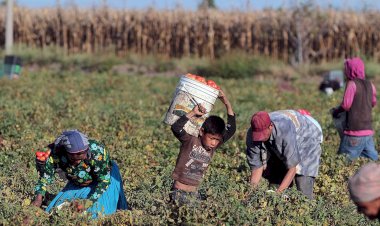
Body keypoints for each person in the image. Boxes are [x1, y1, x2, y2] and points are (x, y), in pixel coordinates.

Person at [31, 130, 128, 219]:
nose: (78, 162)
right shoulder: (57, 154)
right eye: (74, 159)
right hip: (78, 182)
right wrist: (38, 198)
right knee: (54, 212)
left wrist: (87, 203)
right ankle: (49, 199)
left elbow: (104, 181)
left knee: (98, 214)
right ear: (66, 152)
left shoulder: (97, 152)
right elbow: (45, 178)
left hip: (104, 180)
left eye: (82, 157)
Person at [170, 90, 236, 205]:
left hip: (194, 194)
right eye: (211, 138)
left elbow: (231, 129)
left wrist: (226, 102)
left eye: (217, 140)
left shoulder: (213, 147)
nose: (214, 143)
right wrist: (192, 113)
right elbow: (176, 127)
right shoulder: (190, 140)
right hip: (178, 192)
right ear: (202, 132)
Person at [246, 110, 323, 199]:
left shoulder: (284, 129)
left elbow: (292, 168)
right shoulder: (252, 134)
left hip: (307, 136)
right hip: (284, 136)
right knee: (276, 177)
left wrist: (278, 194)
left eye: (262, 134)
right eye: (258, 135)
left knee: (303, 184)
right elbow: (256, 167)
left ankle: (308, 208)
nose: (260, 138)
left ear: (270, 126)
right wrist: (251, 194)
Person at [332, 57, 378, 161]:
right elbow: (373, 103)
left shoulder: (352, 84)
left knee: (343, 162)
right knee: (373, 161)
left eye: (346, 69)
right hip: (368, 132)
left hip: (354, 132)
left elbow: (346, 105)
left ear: (350, 70)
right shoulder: (371, 85)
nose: (344, 72)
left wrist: (336, 111)